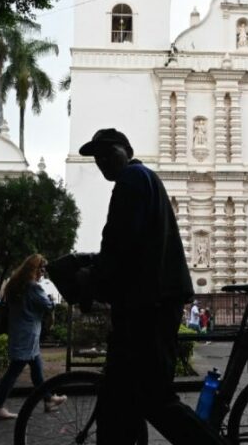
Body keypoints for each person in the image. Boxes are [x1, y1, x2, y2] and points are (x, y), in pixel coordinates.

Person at [76, 128, 229, 445]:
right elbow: (128, 243)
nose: (102, 161)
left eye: (108, 152)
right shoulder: (145, 178)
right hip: (147, 301)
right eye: (97, 157)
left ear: (126, 150)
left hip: (148, 306)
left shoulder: (132, 180)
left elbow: (119, 242)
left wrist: (94, 278)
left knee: (154, 398)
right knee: (120, 393)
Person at [0, 254, 67, 421]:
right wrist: (51, 300)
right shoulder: (32, 287)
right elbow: (46, 305)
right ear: (35, 269)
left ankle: (48, 399)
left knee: (37, 368)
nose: (43, 273)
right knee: (14, 371)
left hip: (19, 332)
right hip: (28, 335)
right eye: (42, 270)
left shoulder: (15, 286)